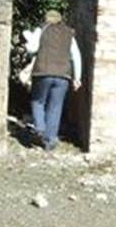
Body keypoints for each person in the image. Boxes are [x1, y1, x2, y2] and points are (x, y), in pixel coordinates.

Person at [23, 9, 82, 151]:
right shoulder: (69, 33)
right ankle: (50, 140)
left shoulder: (42, 30)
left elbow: (32, 49)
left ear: (46, 19)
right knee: (55, 107)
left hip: (43, 72)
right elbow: (76, 56)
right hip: (64, 75)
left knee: (38, 101)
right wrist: (77, 78)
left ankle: (40, 128)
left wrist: (27, 41)